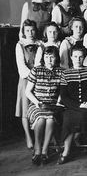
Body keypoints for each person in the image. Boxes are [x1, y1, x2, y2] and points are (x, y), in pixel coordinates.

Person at [25, 46, 65, 165]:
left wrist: (58, 103)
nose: (49, 60)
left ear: (56, 58)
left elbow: (62, 92)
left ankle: (44, 150)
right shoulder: (36, 70)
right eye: (46, 57)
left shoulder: (61, 72)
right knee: (41, 119)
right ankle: (37, 149)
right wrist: (37, 103)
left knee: (50, 120)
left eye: (52, 57)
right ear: (43, 58)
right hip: (37, 105)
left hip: (52, 105)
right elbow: (28, 91)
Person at [58, 45, 87, 164]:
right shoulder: (65, 73)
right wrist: (78, 105)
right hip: (72, 107)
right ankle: (66, 152)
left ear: (84, 57)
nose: (78, 59)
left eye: (81, 56)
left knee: (84, 115)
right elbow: (64, 96)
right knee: (68, 118)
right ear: (71, 57)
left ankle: (76, 141)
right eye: (75, 56)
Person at [16, 20, 41, 150]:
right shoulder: (20, 45)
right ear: (24, 31)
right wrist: (33, 75)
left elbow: (39, 63)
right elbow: (21, 67)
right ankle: (28, 137)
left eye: (32, 30)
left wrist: (37, 76)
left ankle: (39, 136)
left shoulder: (40, 44)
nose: (30, 33)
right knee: (25, 109)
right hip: (25, 79)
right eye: (27, 30)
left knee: (38, 106)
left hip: (39, 79)